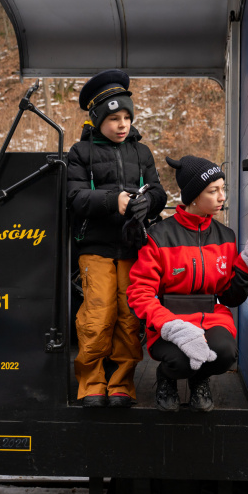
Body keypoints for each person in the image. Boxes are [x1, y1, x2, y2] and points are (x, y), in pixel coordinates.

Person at [127, 155, 248, 412]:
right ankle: (167, 377)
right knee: (181, 360)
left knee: (225, 353)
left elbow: (230, 297)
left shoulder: (226, 237)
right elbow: (140, 292)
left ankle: (200, 380)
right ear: (194, 196)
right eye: (214, 191)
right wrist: (169, 325)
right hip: (169, 320)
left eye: (223, 189)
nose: (222, 197)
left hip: (211, 316)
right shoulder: (160, 235)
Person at [67, 69, 167, 408]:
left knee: (129, 315)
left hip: (133, 248)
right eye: (113, 118)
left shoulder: (142, 152)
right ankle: (91, 382)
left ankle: (122, 382)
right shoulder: (80, 153)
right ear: (97, 120)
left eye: (126, 117)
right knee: (98, 314)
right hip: (95, 247)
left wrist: (147, 202)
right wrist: (115, 200)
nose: (122, 124)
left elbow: (158, 192)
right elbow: (75, 198)